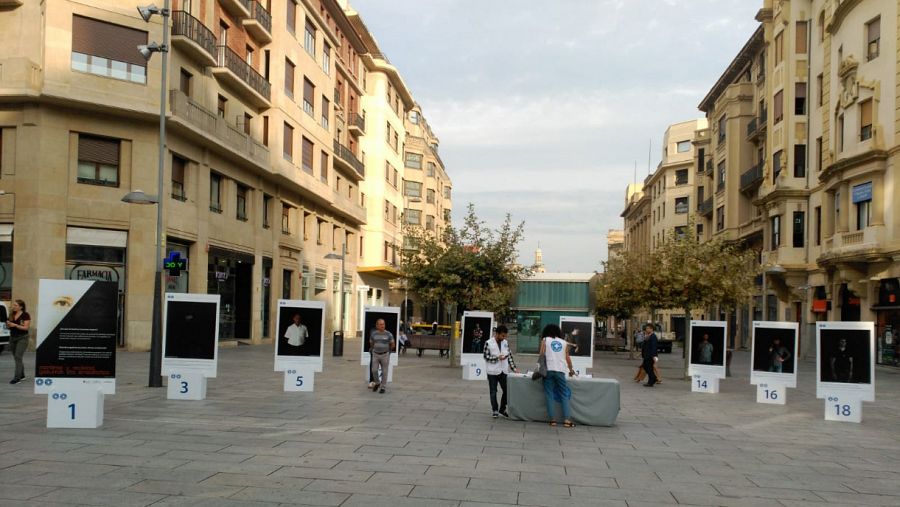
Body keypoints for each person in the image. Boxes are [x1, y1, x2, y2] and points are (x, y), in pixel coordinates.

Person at [539, 324, 575, 427]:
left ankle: (552, 420)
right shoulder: (564, 343)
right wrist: (571, 369)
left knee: (549, 394)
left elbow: (541, 355)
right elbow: (567, 358)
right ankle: (567, 421)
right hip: (560, 370)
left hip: (548, 370)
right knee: (564, 394)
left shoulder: (545, 340)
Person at [484, 325, 518, 418]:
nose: (504, 338)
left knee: (507, 390)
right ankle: (495, 410)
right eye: (502, 336)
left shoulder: (505, 342)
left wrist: (514, 368)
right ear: (497, 334)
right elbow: (486, 357)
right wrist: (497, 358)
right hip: (492, 371)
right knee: (493, 391)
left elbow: (509, 356)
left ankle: (502, 409)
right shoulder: (488, 343)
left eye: (505, 336)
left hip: (503, 371)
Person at [7, 299, 30, 384]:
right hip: (12, 338)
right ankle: (22, 375)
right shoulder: (11, 314)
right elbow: (9, 327)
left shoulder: (25, 315)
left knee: (17, 356)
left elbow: (25, 328)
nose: (13, 307)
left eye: (16, 305)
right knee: (17, 357)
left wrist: (15, 325)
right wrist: (8, 325)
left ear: (21, 307)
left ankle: (17, 378)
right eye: (13, 305)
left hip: (22, 338)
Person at [369, 319, 395, 394]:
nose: (382, 326)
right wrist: (373, 349)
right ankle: (377, 383)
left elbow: (392, 344)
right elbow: (371, 343)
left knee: (384, 371)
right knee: (374, 370)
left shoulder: (388, 334)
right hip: (375, 354)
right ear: (377, 325)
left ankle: (383, 387)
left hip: (385, 354)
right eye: (380, 324)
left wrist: (388, 351)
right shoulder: (374, 334)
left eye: (383, 324)